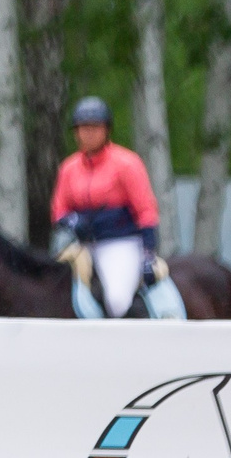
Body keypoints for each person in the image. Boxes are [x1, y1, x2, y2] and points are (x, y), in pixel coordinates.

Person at [49, 96, 165, 317]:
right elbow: (58, 209)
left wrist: (148, 253)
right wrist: (72, 221)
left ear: (106, 130)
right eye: (83, 128)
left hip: (119, 243)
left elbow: (146, 209)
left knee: (117, 299)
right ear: (76, 132)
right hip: (80, 246)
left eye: (95, 127)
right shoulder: (68, 168)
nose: (89, 133)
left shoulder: (127, 163)